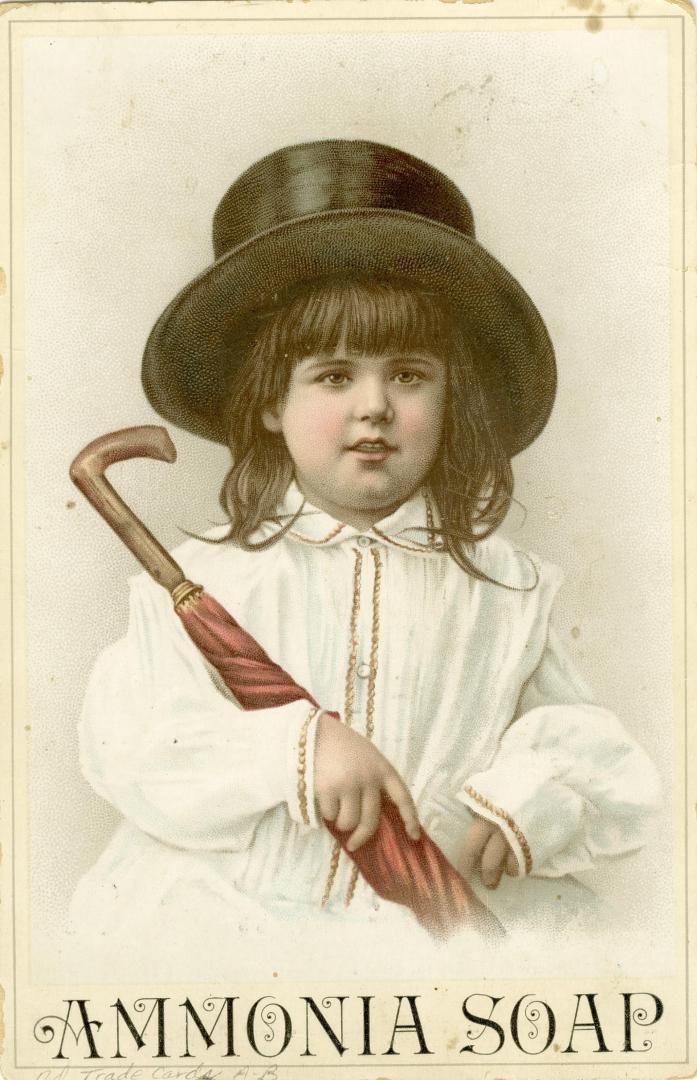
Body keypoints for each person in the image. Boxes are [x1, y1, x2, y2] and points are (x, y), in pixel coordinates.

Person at [67, 140, 660, 979]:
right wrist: (296, 750)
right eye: (334, 375)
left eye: (410, 375)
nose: (375, 407)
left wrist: (524, 802)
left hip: (433, 939)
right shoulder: (216, 578)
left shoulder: (502, 588)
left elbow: (588, 742)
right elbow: (132, 748)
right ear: (270, 402)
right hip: (227, 937)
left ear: (453, 397)